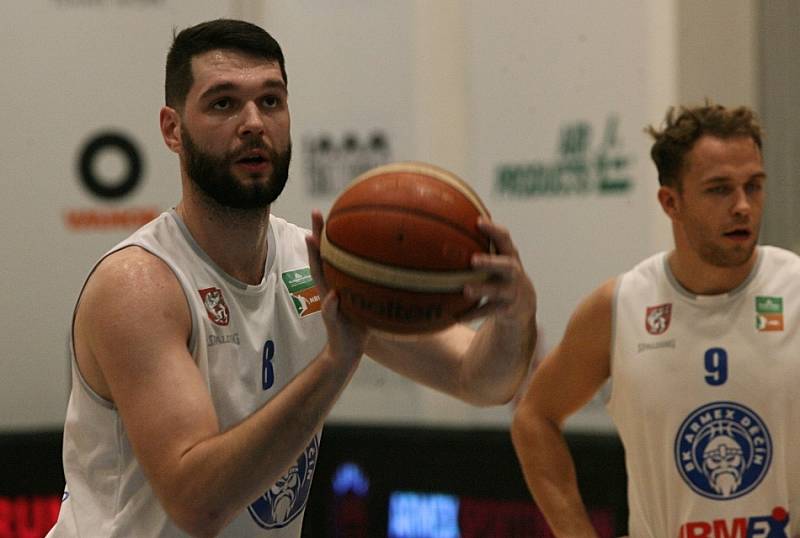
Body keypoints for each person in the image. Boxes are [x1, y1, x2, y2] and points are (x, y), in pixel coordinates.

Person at [46, 18, 537, 538]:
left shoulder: (313, 266)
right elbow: (197, 505)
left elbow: (481, 380)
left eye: (271, 101)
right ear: (172, 129)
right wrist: (335, 363)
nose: (253, 122)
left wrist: (514, 318)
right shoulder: (141, 285)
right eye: (223, 103)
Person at [511, 103, 800, 537]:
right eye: (720, 189)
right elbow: (534, 417)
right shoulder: (620, 306)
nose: (743, 206)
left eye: (753, 186)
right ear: (671, 202)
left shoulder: (794, 289)